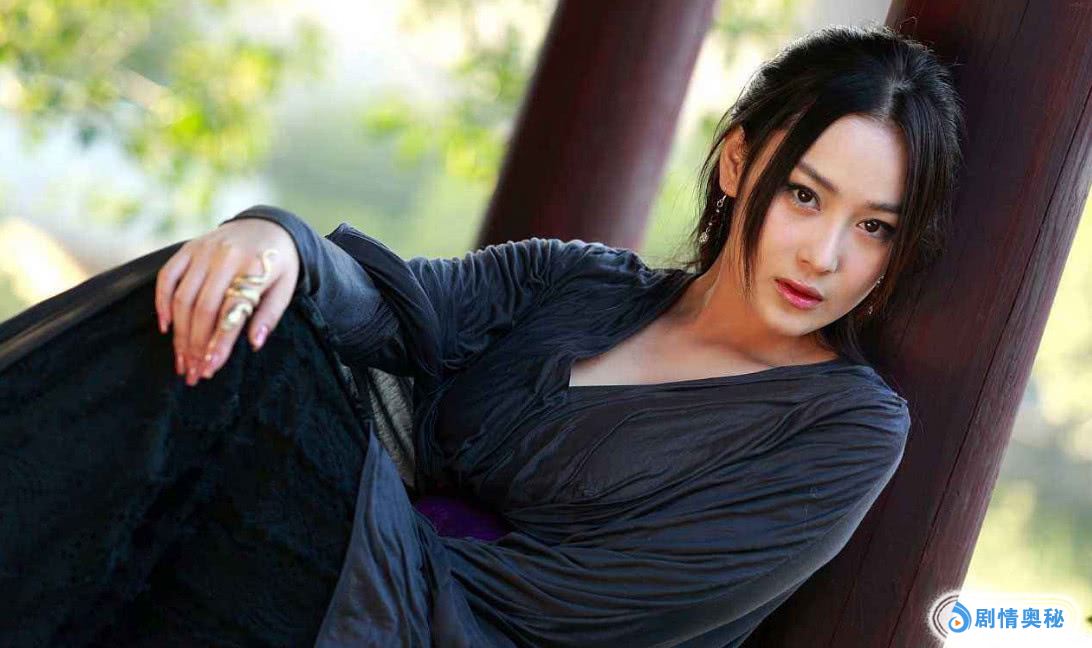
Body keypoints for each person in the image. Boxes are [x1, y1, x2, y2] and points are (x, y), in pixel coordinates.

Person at [0, 23, 965, 647]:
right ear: (739, 163)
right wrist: (275, 238)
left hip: (422, 624)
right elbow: (383, 304)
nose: (826, 255)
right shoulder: (574, 281)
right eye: (805, 196)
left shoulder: (845, 430)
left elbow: (571, 616)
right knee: (223, 303)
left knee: (259, 360)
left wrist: (348, 500)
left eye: (874, 227)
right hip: (310, 583)